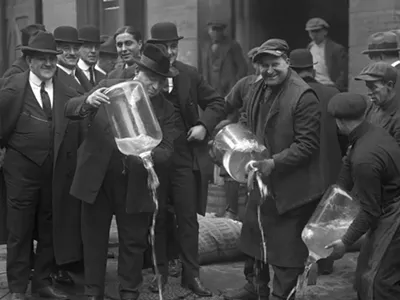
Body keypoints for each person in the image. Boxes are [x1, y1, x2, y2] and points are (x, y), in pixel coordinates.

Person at [64, 43, 179, 300]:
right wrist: (88, 101)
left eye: (161, 82)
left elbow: (168, 150)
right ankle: (93, 292)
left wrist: (147, 153)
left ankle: (129, 292)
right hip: (98, 177)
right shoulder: (111, 85)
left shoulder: (166, 109)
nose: (155, 87)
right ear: (138, 72)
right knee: (93, 241)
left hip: (135, 182)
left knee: (133, 243)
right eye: (151, 79)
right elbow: (69, 108)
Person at [223, 39, 323, 300]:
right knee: (254, 235)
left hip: (292, 186)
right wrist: (240, 146)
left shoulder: (303, 96)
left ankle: (283, 294)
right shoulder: (258, 88)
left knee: (286, 249)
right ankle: (254, 287)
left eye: (274, 64)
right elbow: (246, 118)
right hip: (260, 177)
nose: (269, 70)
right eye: (264, 65)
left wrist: (273, 163)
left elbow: (307, 145)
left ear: (287, 62)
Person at [0, 31, 82, 300]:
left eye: (51, 58)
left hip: (55, 171)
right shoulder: (11, 89)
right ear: (29, 60)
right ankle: (16, 288)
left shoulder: (67, 88)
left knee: (50, 228)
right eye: (42, 58)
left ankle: (42, 282)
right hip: (21, 172)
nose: (48, 63)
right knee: (19, 229)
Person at [146, 22, 226, 296]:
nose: (170, 52)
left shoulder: (189, 75)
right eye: (164, 47)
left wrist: (204, 125)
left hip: (184, 158)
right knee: (157, 218)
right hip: (153, 160)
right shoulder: (141, 76)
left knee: (188, 218)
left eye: (174, 46)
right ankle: (160, 274)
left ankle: (191, 276)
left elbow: (218, 102)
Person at [326, 92, 400, 300]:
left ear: (339, 122)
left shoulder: (365, 158)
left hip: (393, 214)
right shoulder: (371, 133)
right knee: (363, 275)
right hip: (386, 206)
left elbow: (370, 210)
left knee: (377, 282)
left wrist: (345, 242)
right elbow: (347, 167)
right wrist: (334, 201)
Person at [201, 20, 247, 97]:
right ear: (209, 31)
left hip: (229, 89)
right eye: (213, 30)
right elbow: (205, 68)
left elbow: (242, 67)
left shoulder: (232, 45)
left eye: (218, 30)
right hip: (212, 88)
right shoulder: (207, 47)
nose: (215, 33)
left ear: (222, 31)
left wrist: (235, 84)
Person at [306, 17, 348, 92]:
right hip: (314, 87)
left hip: (330, 86)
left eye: (317, 31)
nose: (314, 34)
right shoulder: (310, 47)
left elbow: (344, 71)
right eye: (311, 31)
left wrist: (337, 87)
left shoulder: (336, 48)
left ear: (325, 31)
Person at [53, 25, 92, 93]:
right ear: (56, 49)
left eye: (76, 49)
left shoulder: (79, 74)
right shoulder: (53, 77)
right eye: (66, 48)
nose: (72, 53)